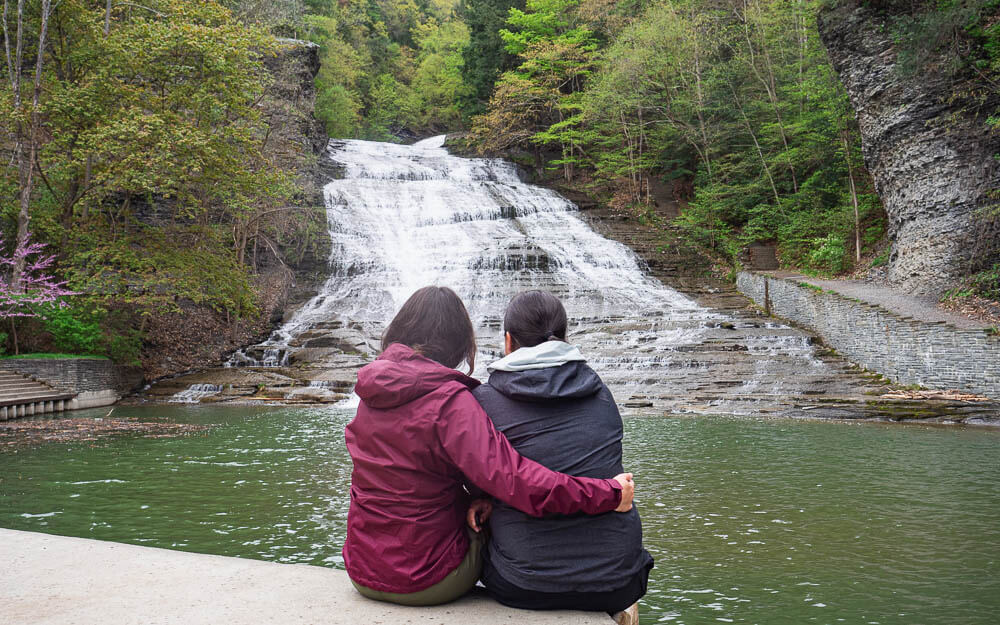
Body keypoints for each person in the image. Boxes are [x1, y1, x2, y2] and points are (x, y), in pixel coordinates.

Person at [342, 286, 636, 607]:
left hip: (361, 570)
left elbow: (409, 473)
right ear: (458, 342)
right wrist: (608, 494)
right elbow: (514, 480)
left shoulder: (371, 392)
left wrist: (478, 498)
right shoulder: (452, 402)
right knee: (499, 516)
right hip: (426, 581)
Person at [470, 290, 654, 619]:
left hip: (522, 584)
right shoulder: (601, 393)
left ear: (508, 342)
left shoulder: (483, 401)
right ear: (565, 338)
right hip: (617, 583)